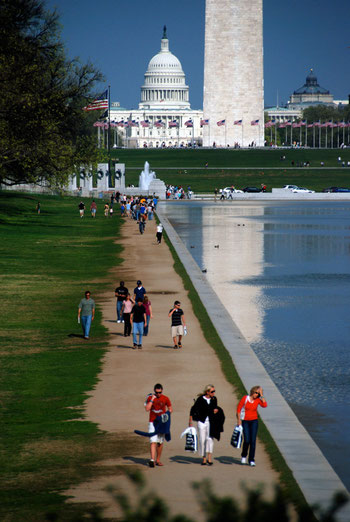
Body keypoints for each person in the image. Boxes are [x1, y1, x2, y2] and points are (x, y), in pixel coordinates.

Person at [236, 385, 267, 467]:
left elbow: (264, 405)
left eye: (258, 393)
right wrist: (239, 420)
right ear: (252, 392)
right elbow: (238, 409)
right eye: (256, 393)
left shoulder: (258, 400)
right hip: (245, 421)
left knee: (253, 441)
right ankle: (243, 455)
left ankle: (251, 459)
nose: (257, 395)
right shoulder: (245, 398)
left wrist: (262, 395)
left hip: (254, 421)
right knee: (247, 440)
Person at [189, 384, 218, 465]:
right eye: (212, 391)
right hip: (201, 422)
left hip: (211, 422)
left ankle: (209, 458)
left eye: (214, 391)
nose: (214, 393)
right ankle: (204, 458)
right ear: (207, 392)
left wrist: (216, 410)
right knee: (202, 440)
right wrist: (190, 420)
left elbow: (215, 407)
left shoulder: (214, 399)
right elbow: (193, 409)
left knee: (210, 439)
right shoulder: (200, 399)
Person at [145, 383, 172, 467]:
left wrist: (167, 414)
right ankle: (152, 460)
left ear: (162, 391)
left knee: (160, 442)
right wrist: (152, 399)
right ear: (154, 392)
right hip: (152, 422)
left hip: (162, 423)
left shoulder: (165, 398)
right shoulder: (150, 398)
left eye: (160, 392)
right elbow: (147, 409)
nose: (158, 394)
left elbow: (170, 408)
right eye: (157, 392)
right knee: (153, 441)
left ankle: (158, 460)